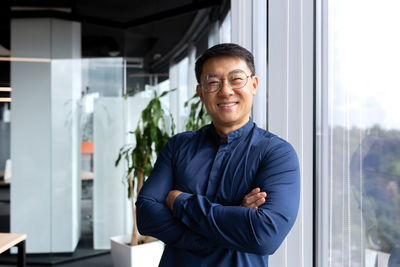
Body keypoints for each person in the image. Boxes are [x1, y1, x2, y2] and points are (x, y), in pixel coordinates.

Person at [136, 43, 300, 267]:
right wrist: (233, 222)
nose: (225, 91)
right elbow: (146, 215)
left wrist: (180, 202)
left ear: (254, 85)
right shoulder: (178, 146)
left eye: (236, 79)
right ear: (201, 93)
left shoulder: (276, 153)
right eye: (213, 82)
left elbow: (264, 236)